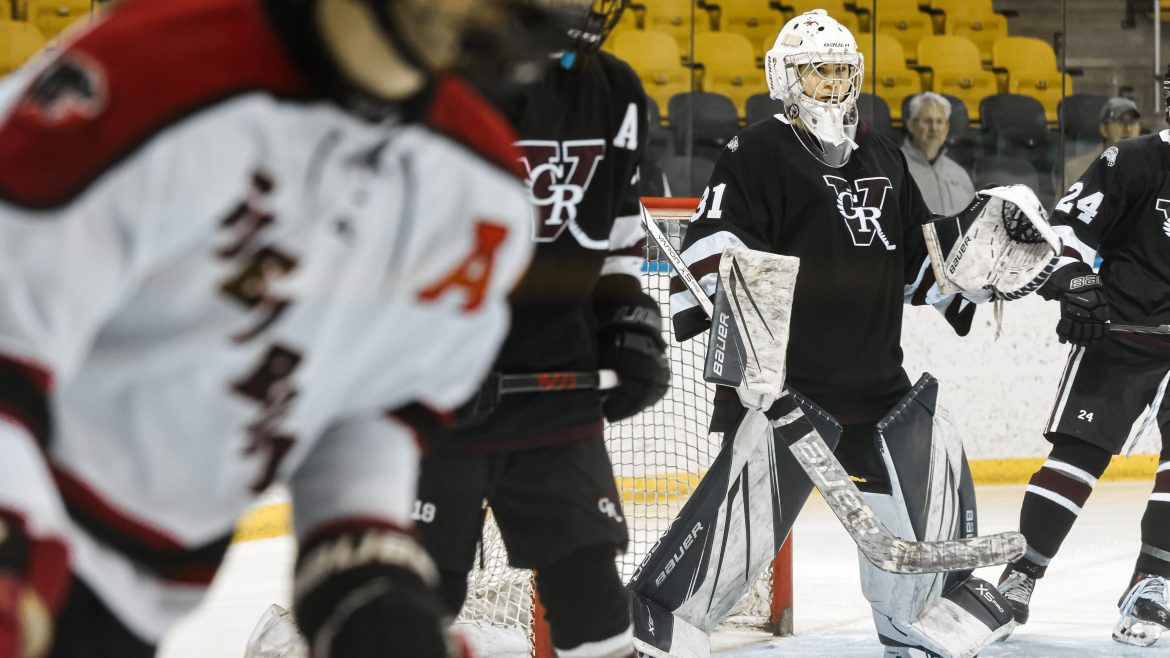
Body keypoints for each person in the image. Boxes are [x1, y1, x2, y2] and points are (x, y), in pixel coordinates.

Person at [0, 0, 555, 655]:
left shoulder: (478, 194)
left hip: (137, 595)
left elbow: (369, 405)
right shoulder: (153, 74)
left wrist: (364, 576)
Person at [646, 10, 1025, 658]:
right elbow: (721, 251)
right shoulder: (758, 151)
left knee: (937, 451)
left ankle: (916, 622)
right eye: (816, 70)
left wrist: (977, 267)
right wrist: (750, 366)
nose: (831, 83)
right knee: (732, 545)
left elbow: (916, 257)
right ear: (785, 77)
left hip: (878, 388)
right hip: (791, 394)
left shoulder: (881, 152)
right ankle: (659, 623)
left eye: (841, 69)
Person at [412, 2, 670, 657]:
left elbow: (612, 237)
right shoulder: (427, 80)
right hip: (430, 394)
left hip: (555, 388)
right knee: (414, 596)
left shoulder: (616, 93)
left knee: (589, 588)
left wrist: (625, 319)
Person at [996, 71, 1170, 648]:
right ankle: (1020, 575)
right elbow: (1067, 228)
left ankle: (1154, 583)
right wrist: (1072, 280)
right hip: (1123, 335)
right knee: (1077, 457)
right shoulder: (1133, 161)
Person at [900, 92, 975, 216]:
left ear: (947, 127)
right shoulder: (895, 167)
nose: (934, 128)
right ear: (911, 125)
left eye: (940, 121)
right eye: (927, 121)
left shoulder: (959, 173)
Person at [1064, 96, 1142, 189]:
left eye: (1133, 122)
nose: (1128, 129)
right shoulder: (1076, 170)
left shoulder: (1152, 166)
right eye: (1121, 121)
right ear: (1104, 129)